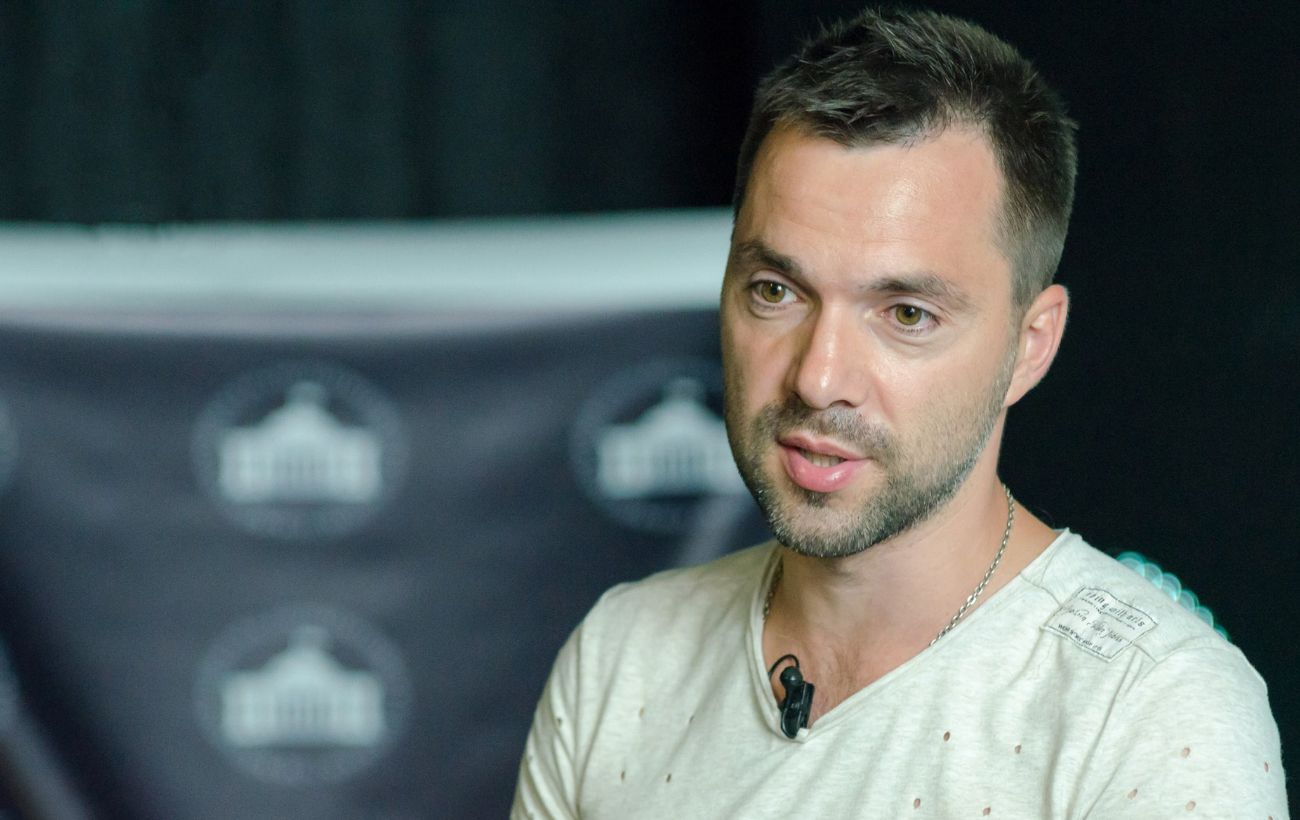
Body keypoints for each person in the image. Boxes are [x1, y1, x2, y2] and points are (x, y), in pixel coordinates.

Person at [514, 8, 1287, 818]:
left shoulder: (1152, 711)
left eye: (906, 314)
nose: (819, 378)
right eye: (776, 291)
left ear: (1029, 346)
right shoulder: (621, 658)